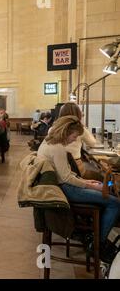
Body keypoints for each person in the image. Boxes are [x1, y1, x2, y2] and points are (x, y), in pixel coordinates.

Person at [37, 115, 120, 252]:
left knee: (106, 189)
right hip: (65, 190)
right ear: (66, 132)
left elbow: (66, 174)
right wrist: (92, 186)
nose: (75, 139)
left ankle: (94, 235)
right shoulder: (58, 148)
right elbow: (66, 178)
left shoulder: (47, 142)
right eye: (74, 136)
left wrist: (86, 181)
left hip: (60, 186)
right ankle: (97, 243)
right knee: (115, 203)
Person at [58, 102, 99, 180]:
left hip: (59, 167)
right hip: (75, 167)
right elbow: (93, 143)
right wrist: (83, 125)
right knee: (102, 177)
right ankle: (109, 189)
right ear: (78, 114)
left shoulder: (53, 129)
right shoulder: (79, 128)